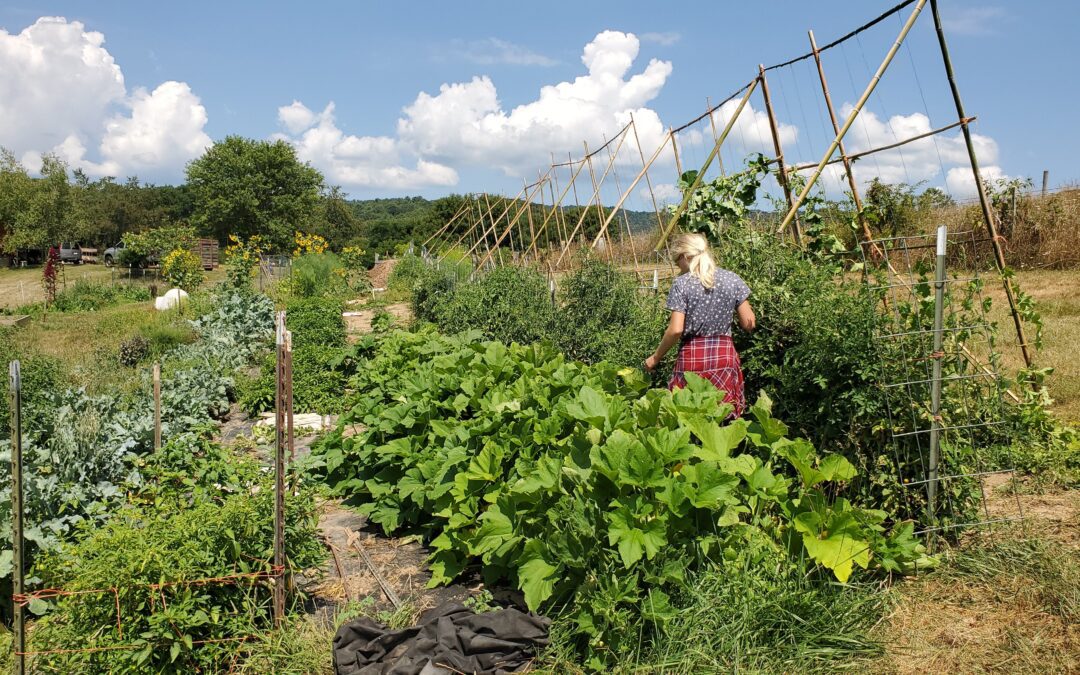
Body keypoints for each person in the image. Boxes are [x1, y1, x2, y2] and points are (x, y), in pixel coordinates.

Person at [644, 233, 756, 417]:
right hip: (724, 356)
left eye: (676, 260)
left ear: (686, 257)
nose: (677, 265)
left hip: (693, 357)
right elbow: (749, 323)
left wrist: (655, 358)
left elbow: (676, 329)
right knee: (722, 415)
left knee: (688, 415)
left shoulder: (682, 284)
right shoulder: (732, 279)